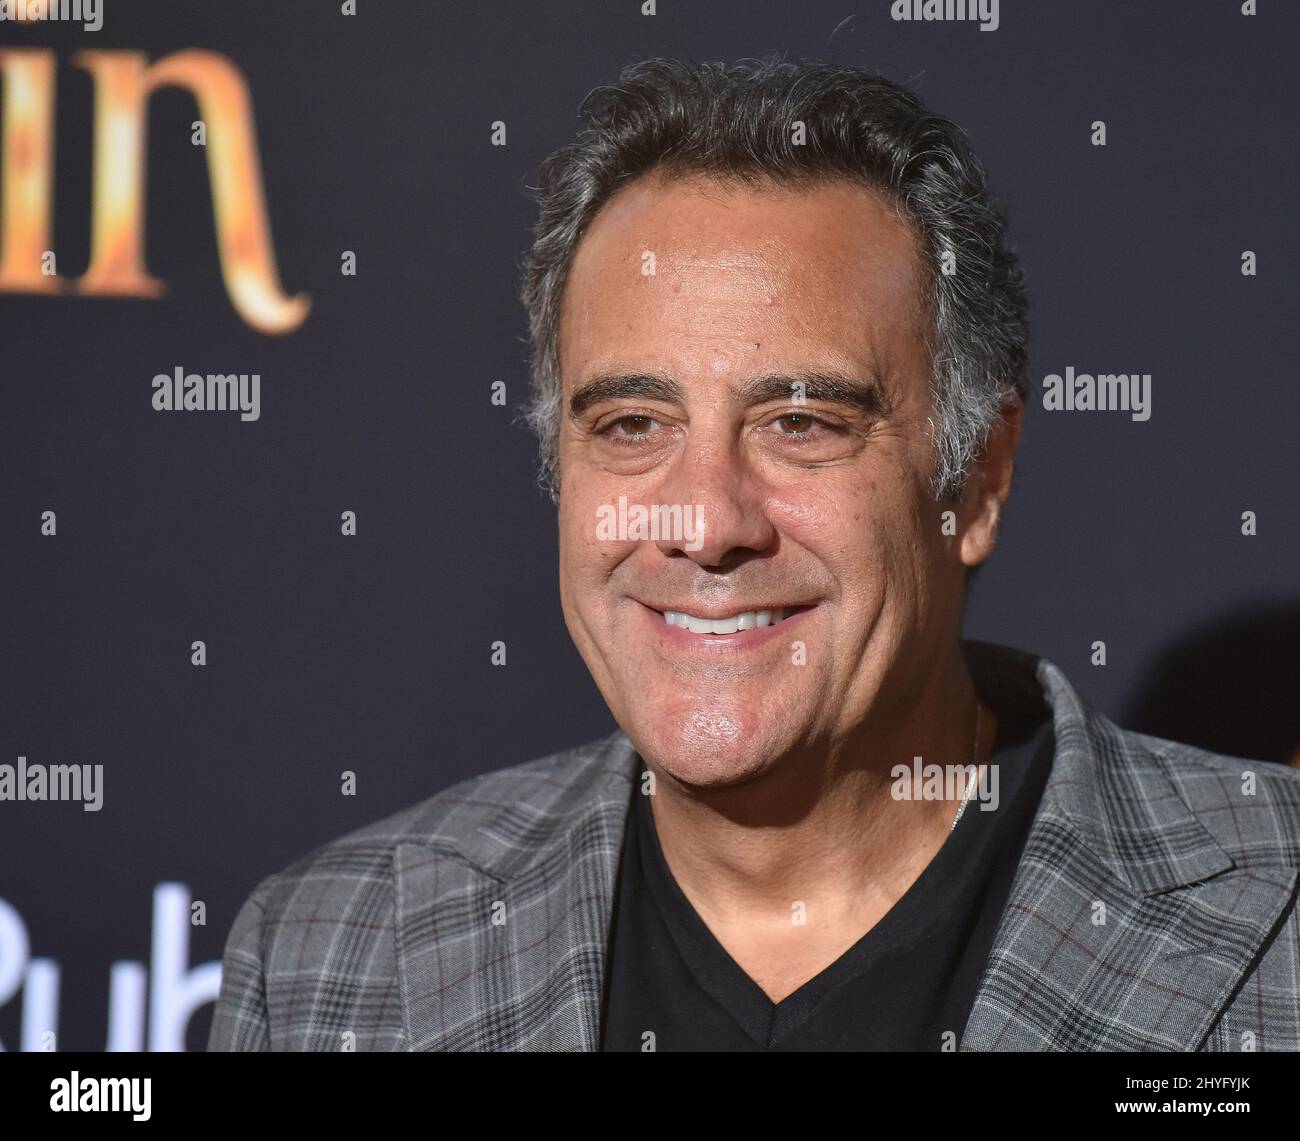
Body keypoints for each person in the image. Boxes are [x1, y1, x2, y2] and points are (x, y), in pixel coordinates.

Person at [208, 56, 1300, 1052]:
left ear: (975, 478)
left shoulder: (1278, 922)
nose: (704, 521)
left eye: (802, 423)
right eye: (632, 425)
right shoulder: (327, 958)